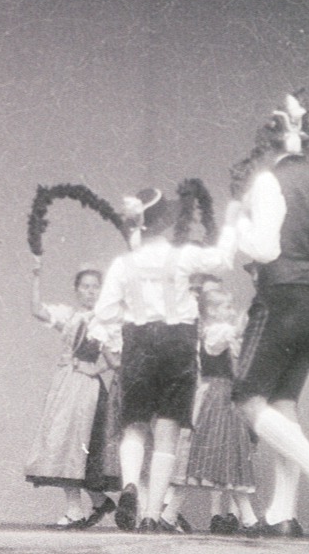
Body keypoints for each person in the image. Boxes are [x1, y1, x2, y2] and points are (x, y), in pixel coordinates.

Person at [231, 95, 309, 538]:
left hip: (282, 300)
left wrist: (238, 230)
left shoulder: (269, 181)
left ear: (270, 144)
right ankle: (281, 515)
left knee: (246, 400)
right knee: (283, 404)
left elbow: (263, 249)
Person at [86, 187, 234, 533]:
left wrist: (126, 322)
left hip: (139, 341)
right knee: (167, 431)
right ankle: (152, 515)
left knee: (134, 424)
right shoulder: (182, 256)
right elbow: (223, 261)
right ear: (165, 223)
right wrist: (233, 220)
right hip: (177, 343)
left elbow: (104, 312)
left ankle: (130, 484)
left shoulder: (124, 263)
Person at [24, 260, 118, 527]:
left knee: (79, 444)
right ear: (76, 290)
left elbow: (116, 355)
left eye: (95, 287)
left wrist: (94, 368)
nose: (90, 292)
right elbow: (36, 309)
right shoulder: (70, 316)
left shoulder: (105, 320)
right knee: (62, 442)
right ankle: (95, 503)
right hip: (64, 384)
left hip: (86, 389)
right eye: (85, 287)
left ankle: (77, 509)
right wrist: (36, 275)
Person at [183, 274, 258, 535]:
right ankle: (250, 520)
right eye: (227, 306)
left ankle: (249, 519)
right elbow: (234, 331)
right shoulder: (216, 332)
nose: (231, 310)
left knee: (223, 457)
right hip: (218, 396)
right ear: (213, 311)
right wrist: (253, 310)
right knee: (218, 455)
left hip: (226, 396)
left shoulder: (220, 334)